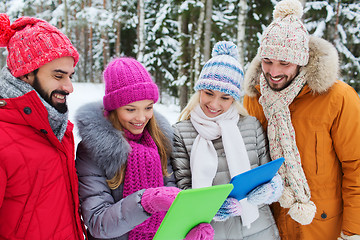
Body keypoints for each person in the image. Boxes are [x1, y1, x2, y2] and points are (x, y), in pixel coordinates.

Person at [243, 0, 360, 239]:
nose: (273, 72)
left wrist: (352, 231)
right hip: (270, 226)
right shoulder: (255, 97)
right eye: (267, 61)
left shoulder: (338, 98)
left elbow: (356, 167)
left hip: (323, 227)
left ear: (301, 61)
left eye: (284, 63)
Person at [75, 57, 213, 240]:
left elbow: (172, 205)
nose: (141, 117)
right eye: (131, 109)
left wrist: (186, 231)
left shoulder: (160, 142)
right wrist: (145, 202)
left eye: (148, 107)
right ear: (113, 108)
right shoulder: (92, 150)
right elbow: (98, 223)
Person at [171, 41, 282, 239]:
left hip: (257, 230)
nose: (214, 104)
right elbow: (181, 190)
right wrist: (212, 207)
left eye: (225, 97)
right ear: (199, 91)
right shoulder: (181, 132)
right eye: (209, 93)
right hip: (211, 233)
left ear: (234, 99)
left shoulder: (251, 126)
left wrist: (272, 189)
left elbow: (268, 172)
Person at [0, 14, 85, 239]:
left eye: (70, 76)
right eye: (58, 76)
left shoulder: (58, 129)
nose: (69, 87)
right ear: (25, 74)